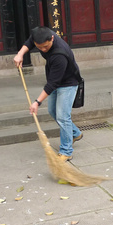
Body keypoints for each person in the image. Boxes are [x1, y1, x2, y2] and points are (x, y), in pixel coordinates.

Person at [14, 26, 83, 161]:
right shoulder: (41, 35)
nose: (43, 50)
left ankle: (66, 151)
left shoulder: (59, 55)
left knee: (63, 117)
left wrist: (37, 102)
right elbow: (30, 41)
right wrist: (20, 54)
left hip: (68, 83)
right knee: (53, 111)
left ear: (52, 38)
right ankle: (75, 133)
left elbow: (52, 84)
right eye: (39, 47)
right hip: (55, 79)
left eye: (46, 46)